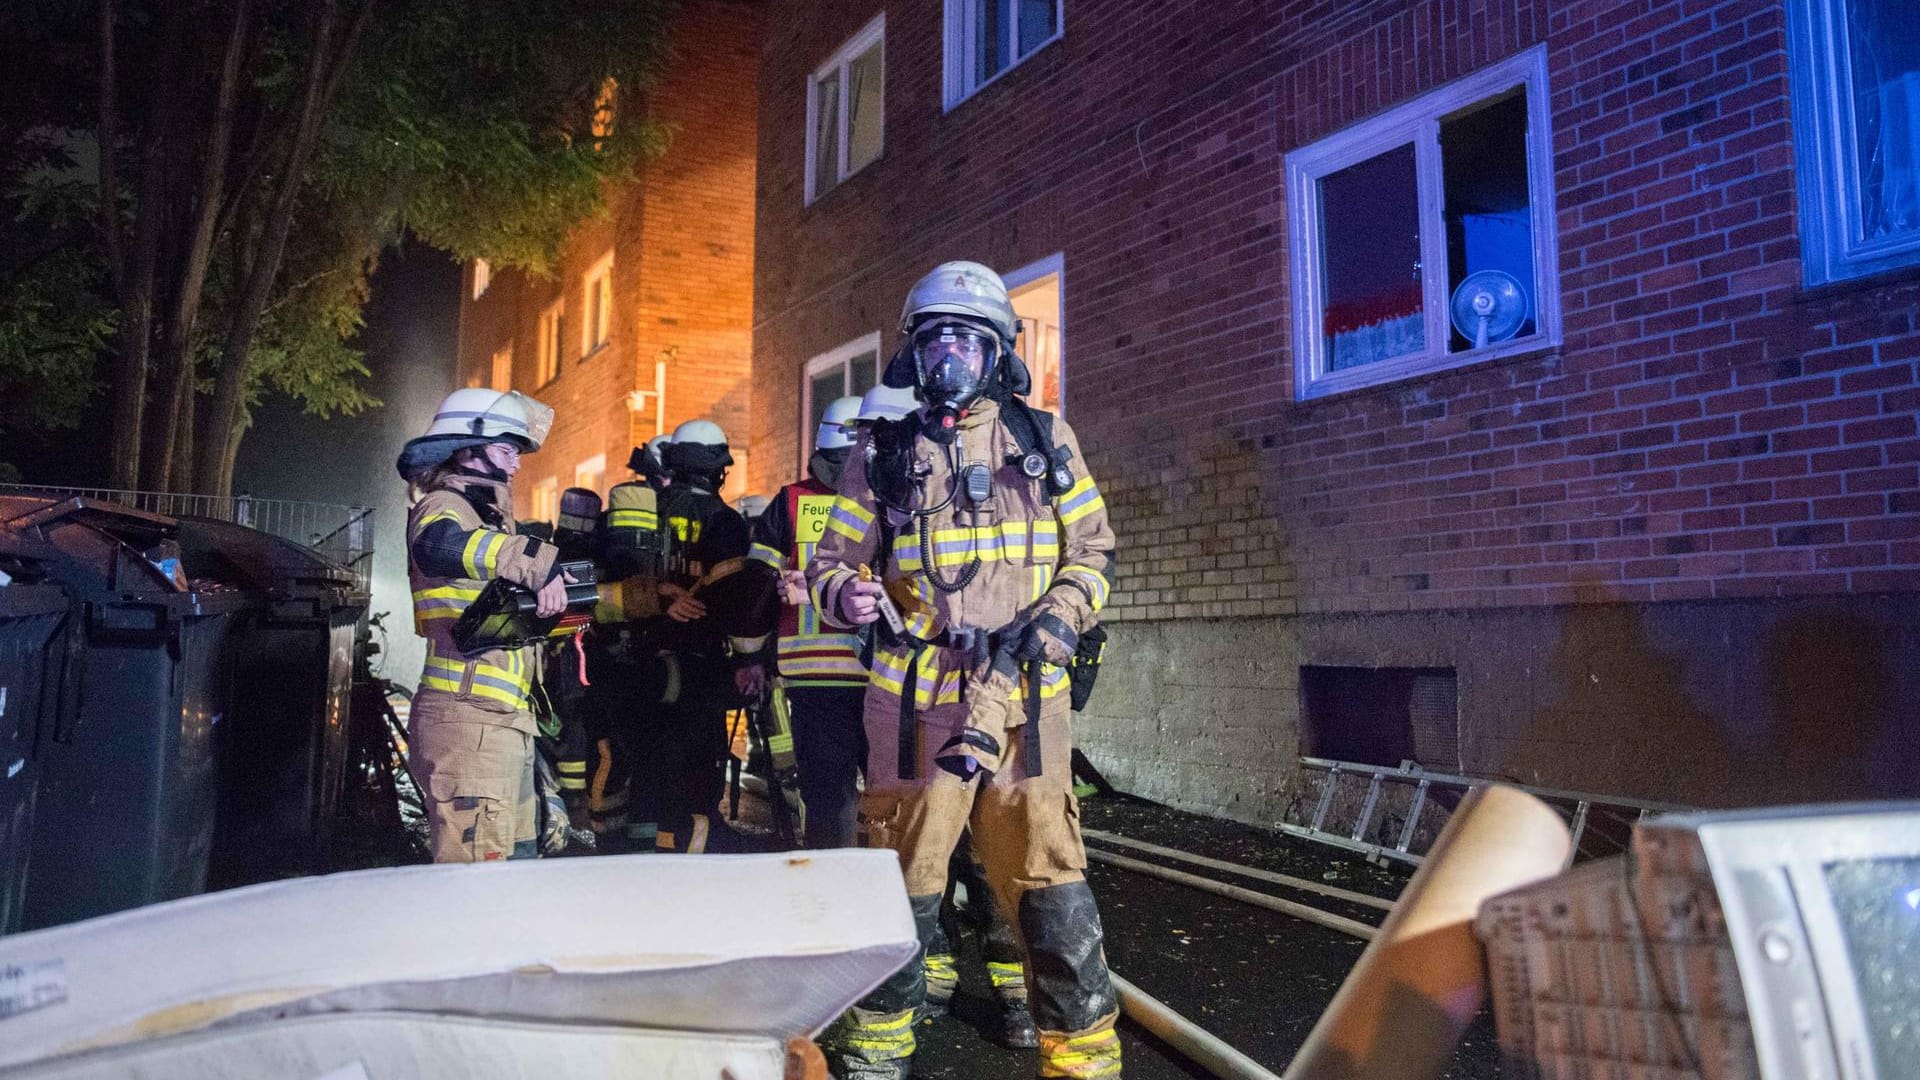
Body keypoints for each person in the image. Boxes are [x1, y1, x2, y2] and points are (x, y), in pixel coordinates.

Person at [809, 262, 1120, 1079]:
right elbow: (830, 561)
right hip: (916, 704)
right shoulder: (882, 453)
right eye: (937, 337)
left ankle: (1081, 1058)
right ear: (916, 353)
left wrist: (1059, 617)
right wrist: (849, 594)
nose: (952, 353)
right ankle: (878, 1049)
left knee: (1046, 876)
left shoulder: (1046, 437)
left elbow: (1094, 551)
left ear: (997, 352)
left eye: (968, 338)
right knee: (902, 878)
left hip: (1027, 700)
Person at [396, 388, 570, 863]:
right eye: (505, 448)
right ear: (466, 446)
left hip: (501, 724)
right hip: (466, 723)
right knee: (472, 892)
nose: (515, 464)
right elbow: (438, 545)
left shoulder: (487, 521)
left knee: (511, 877)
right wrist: (535, 562)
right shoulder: (442, 507)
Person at [737, 396, 868, 849]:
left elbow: (756, 586)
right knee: (899, 794)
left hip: (814, 678)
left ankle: (832, 896)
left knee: (829, 798)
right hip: (886, 674)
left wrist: (749, 657)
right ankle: (922, 902)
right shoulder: (895, 498)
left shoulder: (791, 503)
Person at [650, 418, 760, 853]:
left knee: (655, 749)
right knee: (701, 750)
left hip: (643, 656)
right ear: (716, 469)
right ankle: (700, 837)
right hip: (702, 658)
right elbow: (737, 600)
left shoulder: (646, 509)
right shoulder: (726, 522)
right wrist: (748, 660)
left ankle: (659, 838)